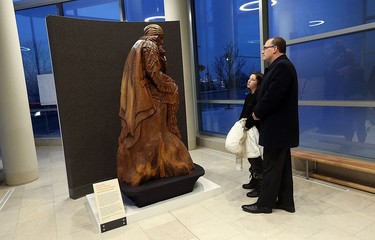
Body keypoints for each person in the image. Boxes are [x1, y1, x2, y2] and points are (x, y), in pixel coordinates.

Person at [117, 24, 194, 186]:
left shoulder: (138, 45)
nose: (162, 40)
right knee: (173, 90)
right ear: (156, 35)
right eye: (161, 37)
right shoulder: (150, 45)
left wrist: (163, 57)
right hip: (149, 97)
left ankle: (151, 166)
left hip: (143, 95)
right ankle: (150, 167)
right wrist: (168, 87)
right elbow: (154, 73)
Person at [242, 37, 299, 214]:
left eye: (265, 48)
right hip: (280, 128)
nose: (262, 51)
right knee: (282, 168)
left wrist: (257, 112)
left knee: (271, 167)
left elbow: (271, 96)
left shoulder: (281, 67)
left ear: (275, 49)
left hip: (277, 128)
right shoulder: (281, 66)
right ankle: (285, 202)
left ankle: (264, 204)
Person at [239, 72, 264, 198]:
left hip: (255, 132)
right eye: (249, 78)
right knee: (250, 157)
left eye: (252, 79)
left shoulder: (259, 96)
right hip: (247, 130)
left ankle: (260, 186)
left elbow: (255, 116)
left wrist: (247, 125)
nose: (249, 81)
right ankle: (254, 181)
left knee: (255, 158)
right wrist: (240, 126)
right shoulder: (249, 96)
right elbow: (244, 113)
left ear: (258, 83)